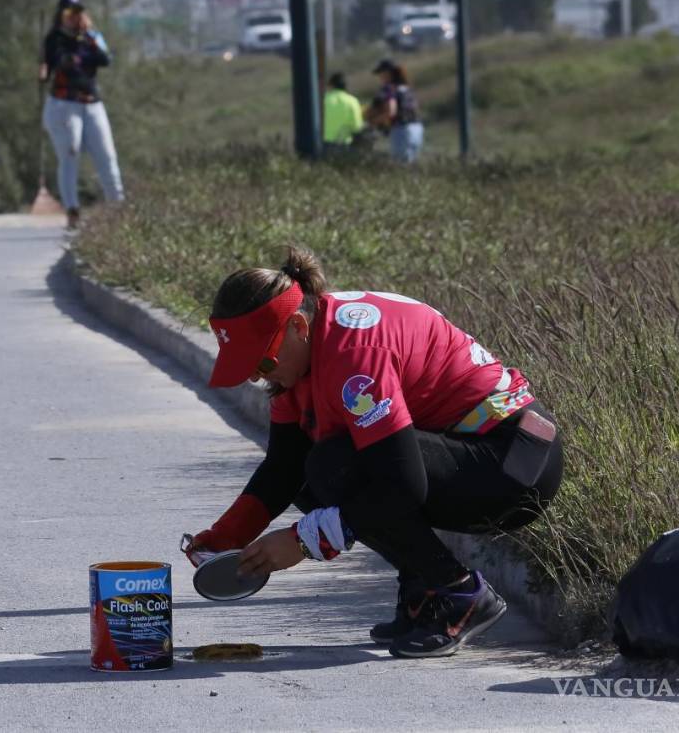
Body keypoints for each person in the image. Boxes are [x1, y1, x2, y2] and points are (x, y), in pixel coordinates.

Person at [185, 247, 562, 658]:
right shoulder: (304, 354)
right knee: (315, 471)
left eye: (262, 362)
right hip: (466, 451)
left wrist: (304, 540)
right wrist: (224, 540)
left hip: (512, 466)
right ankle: (423, 589)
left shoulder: (354, 355)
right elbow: (283, 467)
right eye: (249, 369)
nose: (260, 377)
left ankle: (459, 593)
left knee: (337, 465)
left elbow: (402, 485)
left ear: (296, 326)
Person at [39, 0, 125, 230]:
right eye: (68, 13)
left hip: (92, 103)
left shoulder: (92, 36)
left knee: (107, 156)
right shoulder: (54, 39)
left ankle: (118, 208)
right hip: (64, 104)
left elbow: (105, 59)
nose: (73, 17)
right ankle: (72, 209)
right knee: (70, 153)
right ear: (61, 15)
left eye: (77, 13)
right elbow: (58, 61)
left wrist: (87, 36)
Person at [372, 59, 423, 164]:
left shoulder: (389, 89)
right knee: (411, 165)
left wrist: (375, 121)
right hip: (417, 129)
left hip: (401, 130)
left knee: (400, 166)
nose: (380, 78)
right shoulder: (406, 88)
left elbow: (391, 111)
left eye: (380, 74)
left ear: (387, 73)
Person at [321, 73, 364, 154]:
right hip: (344, 144)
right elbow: (357, 127)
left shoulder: (322, 100)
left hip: (323, 144)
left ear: (330, 85)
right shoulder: (353, 101)